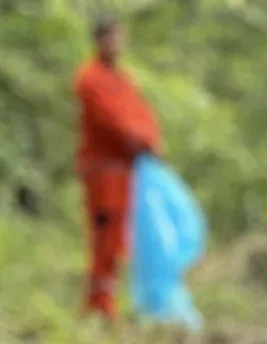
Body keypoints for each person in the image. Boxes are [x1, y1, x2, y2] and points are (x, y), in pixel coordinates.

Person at [74, 13, 162, 322]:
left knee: (119, 241)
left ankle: (107, 304)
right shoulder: (90, 79)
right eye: (109, 37)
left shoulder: (123, 80)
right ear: (98, 40)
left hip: (127, 174)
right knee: (104, 240)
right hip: (103, 174)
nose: (116, 43)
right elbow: (115, 123)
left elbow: (143, 115)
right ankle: (98, 308)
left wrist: (151, 140)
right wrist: (143, 140)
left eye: (119, 36)